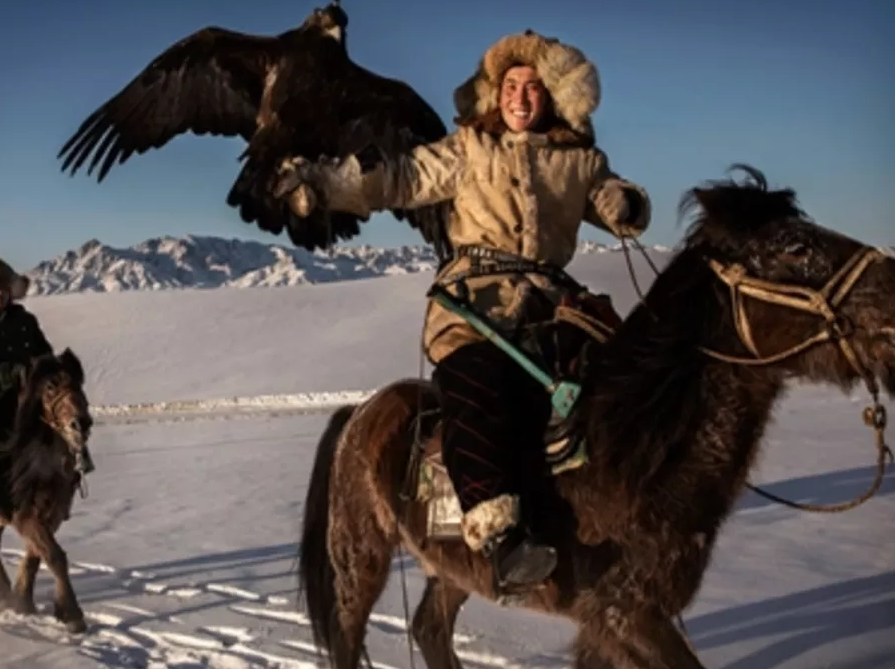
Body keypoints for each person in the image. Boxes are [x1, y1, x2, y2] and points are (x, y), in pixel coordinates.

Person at [271, 31, 651, 591]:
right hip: (477, 306)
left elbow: (615, 202)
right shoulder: (468, 149)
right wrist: (325, 183)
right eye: (510, 87)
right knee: (479, 385)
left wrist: (625, 203)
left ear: (552, 98)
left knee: (614, 382)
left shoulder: (580, 160)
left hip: (552, 309)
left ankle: (621, 509)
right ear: (494, 96)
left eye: (533, 88)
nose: (520, 98)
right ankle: (499, 536)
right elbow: (402, 176)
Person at [0, 257, 89, 522]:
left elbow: (42, 351)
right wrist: (15, 373)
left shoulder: (24, 319)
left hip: (29, 396)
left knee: (66, 422)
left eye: (3, 289)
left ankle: (70, 480)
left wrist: (54, 370)